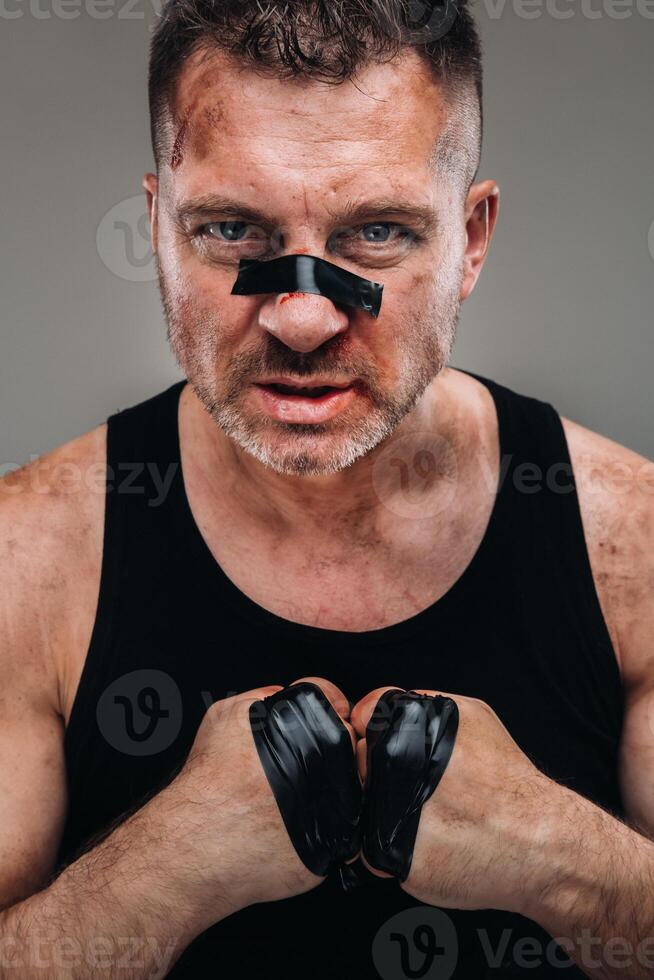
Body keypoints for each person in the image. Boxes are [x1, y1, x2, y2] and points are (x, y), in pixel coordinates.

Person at [1, 1, 653, 977]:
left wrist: (556, 854)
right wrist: (168, 863)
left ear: (470, 241)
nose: (303, 319)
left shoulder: (634, 544)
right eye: (231, 229)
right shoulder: (24, 558)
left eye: (376, 231)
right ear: (155, 232)